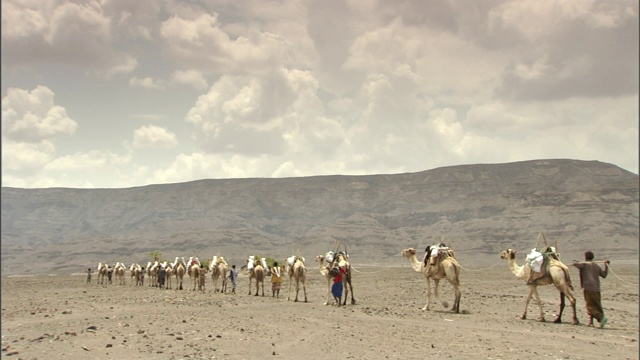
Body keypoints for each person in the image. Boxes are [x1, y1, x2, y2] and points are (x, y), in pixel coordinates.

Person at [572, 251, 610, 329]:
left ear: (585, 257)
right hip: (597, 289)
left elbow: (575, 264)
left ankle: (602, 318)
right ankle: (592, 322)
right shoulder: (596, 266)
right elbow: (604, 275)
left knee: (590, 306)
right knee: (597, 305)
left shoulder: (585, 264)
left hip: (588, 288)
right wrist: (606, 266)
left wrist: (576, 262)